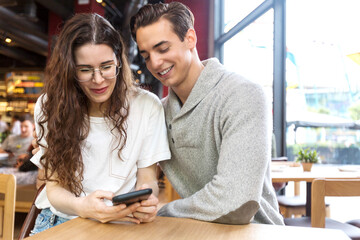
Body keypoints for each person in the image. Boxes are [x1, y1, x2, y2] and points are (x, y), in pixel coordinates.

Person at [130, 2, 284, 225]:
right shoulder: (158, 113)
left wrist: (163, 211)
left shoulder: (242, 94)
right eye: (146, 55)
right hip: (197, 229)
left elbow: (236, 201)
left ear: (190, 38)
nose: (154, 63)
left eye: (163, 49)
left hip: (256, 230)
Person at [29, 13, 170, 235]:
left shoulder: (146, 106)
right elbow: (53, 188)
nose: (98, 80)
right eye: (85, 70)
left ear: (119, 62)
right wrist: (83, 207)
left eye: (106, 66)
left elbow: (148, 178)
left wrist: (147, 199)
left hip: (122, 223)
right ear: (70, 69)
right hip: (59, 221)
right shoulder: (49, 106)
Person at [0, 114, 38, 184]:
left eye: (26, 126)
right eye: (21, 126)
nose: (22, 129)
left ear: (33, 126)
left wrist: (26, 158)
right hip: (5, 165)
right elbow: (1, 151)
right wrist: (6, 153)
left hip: (22, 169)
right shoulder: (11, 138)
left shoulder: (36, 141)